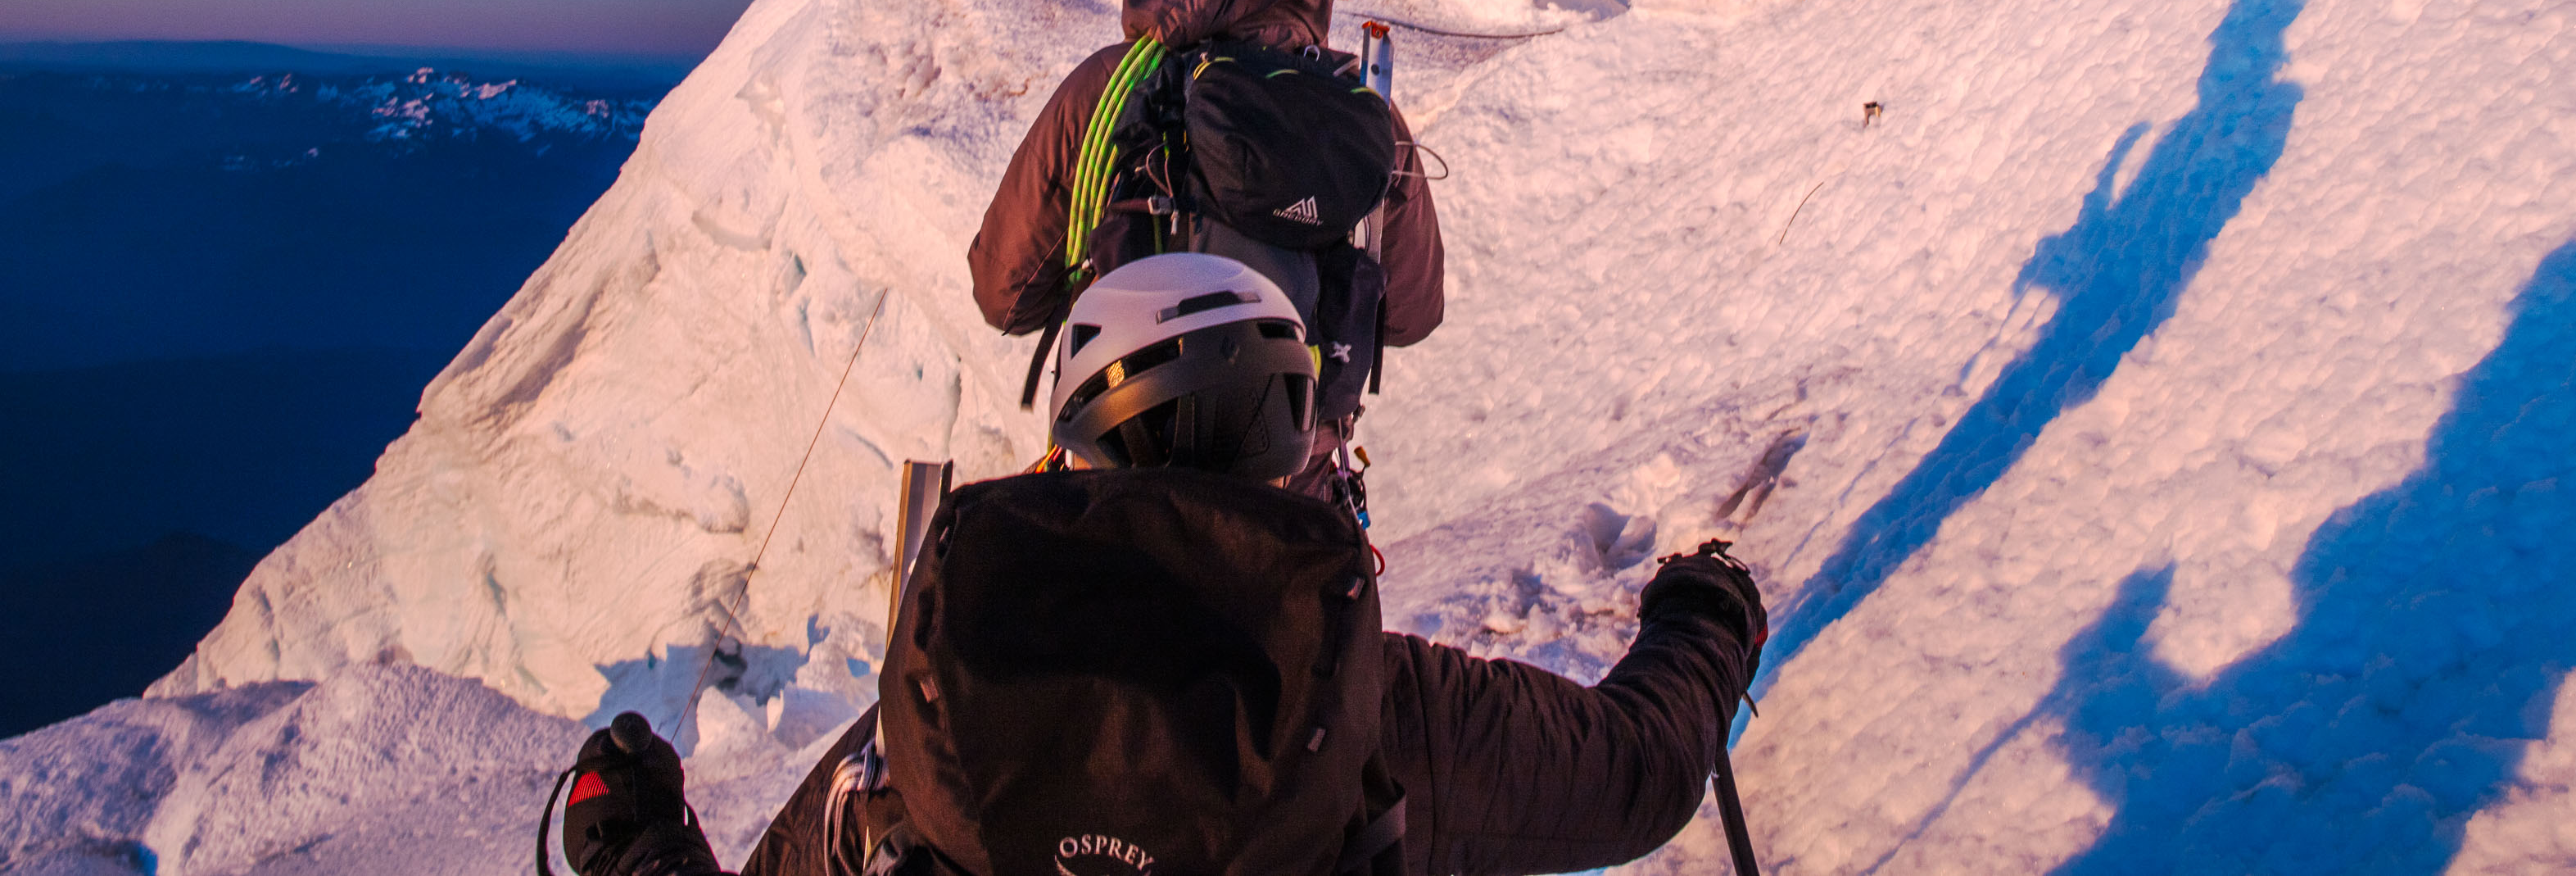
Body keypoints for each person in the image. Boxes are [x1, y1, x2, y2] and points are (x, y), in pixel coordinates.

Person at [544, 253, 1764, 876]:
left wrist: (648, 853)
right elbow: (1640, 771)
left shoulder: (942, 693)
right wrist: (1704, 618)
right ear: (1288, 445)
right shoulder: (1371, 704)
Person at [967, 0, 1444, 484]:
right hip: (1291, 480)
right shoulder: (1359, 105)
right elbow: (1413, 312)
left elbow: (1005, 295)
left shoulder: (1109, 85)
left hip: (1127, 461)